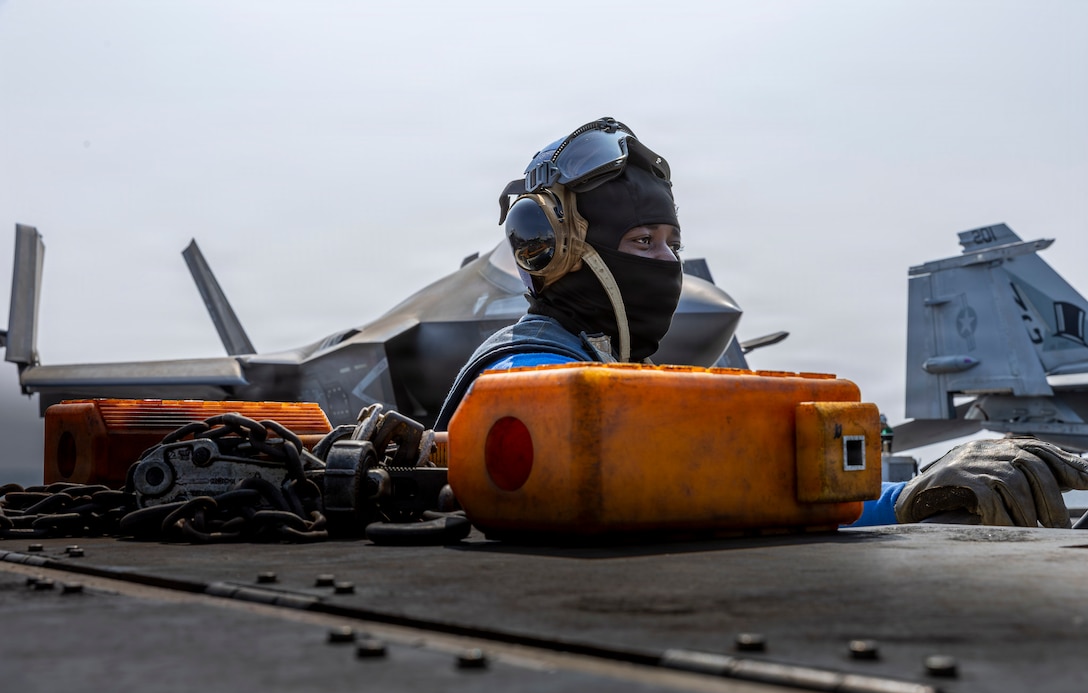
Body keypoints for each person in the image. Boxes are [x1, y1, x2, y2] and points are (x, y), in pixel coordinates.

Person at [436, 117, 1088, 528]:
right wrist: (912, 498)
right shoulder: (527, 385)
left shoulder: (584, 372)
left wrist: (924, 478)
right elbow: (711, 494)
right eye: (642, 242)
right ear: (556, 254)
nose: (667, 262)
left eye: (671, 240)